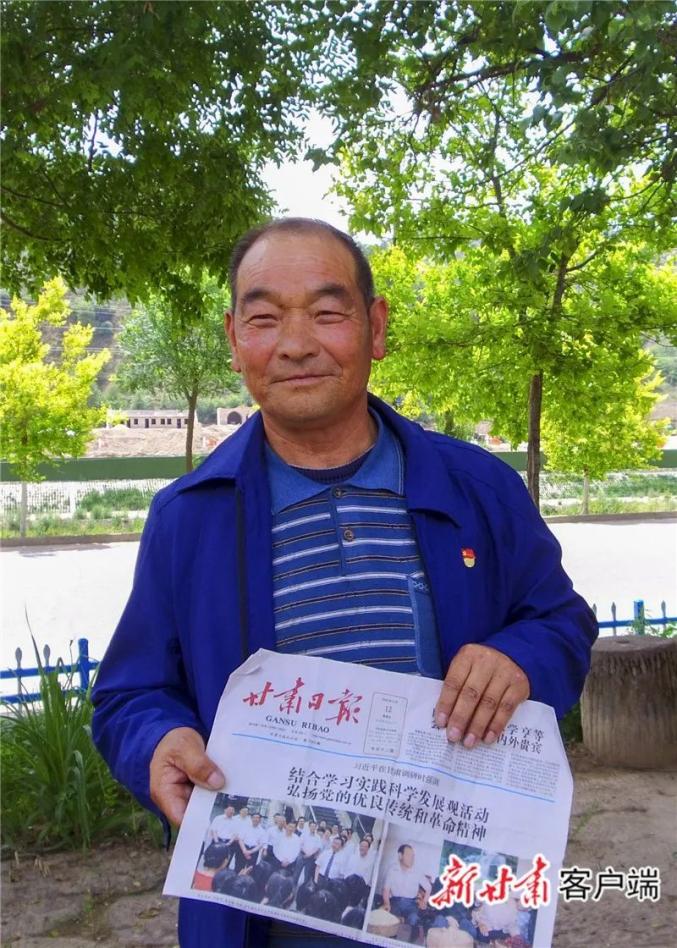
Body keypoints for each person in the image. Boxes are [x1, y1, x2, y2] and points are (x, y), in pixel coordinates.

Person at [92, 217, 597, 947]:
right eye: (264, 319)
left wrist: (519, 658)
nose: (296, 344)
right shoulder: (189, 517)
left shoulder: (478, 488)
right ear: (234, 339)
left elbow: (562, 622)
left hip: (448, 899)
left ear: (375, 327)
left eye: (327, 313)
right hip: (260, 912)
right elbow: (129, 694)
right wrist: (157, 742)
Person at [382, 844, 425, 943]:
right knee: (391, 921)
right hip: (395, 901)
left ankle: (410, 942)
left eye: (413, 856)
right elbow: (386, 889)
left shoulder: (417, 871)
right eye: (409, 855)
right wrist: (387, 903)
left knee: (414, 919)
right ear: (400, 856)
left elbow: (428, 888)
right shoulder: (392, 870)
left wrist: (424, 901)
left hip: (411, 904)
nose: (412, 859)